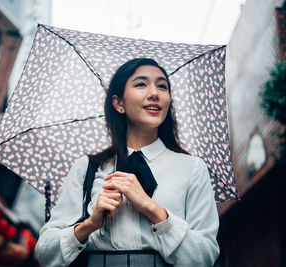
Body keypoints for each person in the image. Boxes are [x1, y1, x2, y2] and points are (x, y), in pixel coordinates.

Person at [35, 58, 220, 266]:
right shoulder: (87, 167)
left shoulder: (191, 168)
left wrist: (153, 210)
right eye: (141, 84)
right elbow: (45, 252)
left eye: (162, 86)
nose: (154, 93)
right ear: (119, 103)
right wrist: (90, 224)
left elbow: (204, 256)